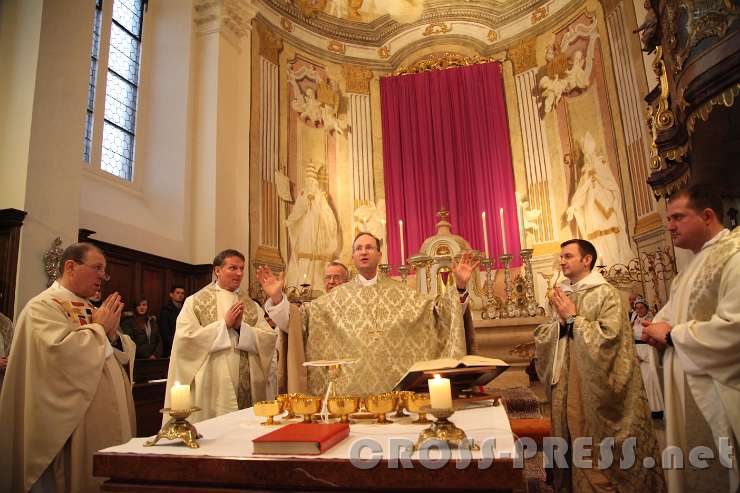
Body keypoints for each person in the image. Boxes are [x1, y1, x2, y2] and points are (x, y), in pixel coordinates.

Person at [260, 232, 476, 396]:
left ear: (379, 255)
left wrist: (458, 286)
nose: (364, 252)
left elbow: (440, 315)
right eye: (359, 248)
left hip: (397, 395)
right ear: (353, 256)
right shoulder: (331, 300)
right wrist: (278, 299)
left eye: (369, 247)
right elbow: (297, 324)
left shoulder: (403, 294)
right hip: (346, 398)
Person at [0, 242, 136, 493]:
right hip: (72, 426)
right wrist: (99, 330)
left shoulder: (90, 308)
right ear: (70, 267)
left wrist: (114, 335)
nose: (102, 277)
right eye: (97, 268)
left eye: (104, 271)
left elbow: (117, 352)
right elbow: (59, 356)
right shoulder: (42, 307)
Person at [534, 239, 664, 491]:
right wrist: (560, 325)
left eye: (568, 256)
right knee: (570, 440)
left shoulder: (606, 294)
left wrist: (573, 319)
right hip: (565, 383)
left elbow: (611, 337)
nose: (562, 261)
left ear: (587, 260)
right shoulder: (562, 293)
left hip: (592, 386)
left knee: (592, 448)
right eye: (561, 256)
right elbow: (544, 334)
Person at [642, 185, 739, 492]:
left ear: (707, 215)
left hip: (717, 392)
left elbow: (733, 328)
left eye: (678, 217)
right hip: (684, 387)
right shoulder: (690, 266)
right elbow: (670, 315)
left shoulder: (733, 257)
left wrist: (671, 335)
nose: (669, 226)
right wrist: (656, 330)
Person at [164, 249, 278, 423]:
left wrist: (241, 328)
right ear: (217, 271)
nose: (239, 273)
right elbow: (185, 340)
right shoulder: (196, 301)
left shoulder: (250, 305)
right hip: (212, 385)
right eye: (233, 268)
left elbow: (268, 338)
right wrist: (223, 325)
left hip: (247, 385)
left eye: (242, 268)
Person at [632, 298, 664, 418]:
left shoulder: (652, 320)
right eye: (637, 308)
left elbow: (654, 338)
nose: (639, 310)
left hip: (648, 352)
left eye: (641, 308)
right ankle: (645, 409)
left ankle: (657, 409)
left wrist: (643, 356)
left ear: (646, 308)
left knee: (650, 380)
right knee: (641, 382)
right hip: (636, 352)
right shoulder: (634, 321)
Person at [159, 285, 185, 357]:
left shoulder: (185, 309)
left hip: (184, 346)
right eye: (178, 293)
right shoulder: (165, 311)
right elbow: (164, 334)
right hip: (170, 348)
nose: (180, 295)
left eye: (182, 293)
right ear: (171, 294)